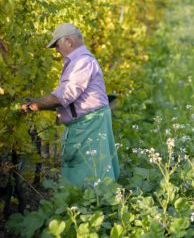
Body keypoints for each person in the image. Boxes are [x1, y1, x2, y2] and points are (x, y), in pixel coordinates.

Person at [21, 23, 120, 186]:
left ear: (68, 41)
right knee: (92, 171)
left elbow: (64, 96)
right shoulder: (79, 61)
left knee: (90, 174)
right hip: (88, 123)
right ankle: (90, 206)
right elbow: (68, 99)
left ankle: (91, 207)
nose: (57, 51)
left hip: (89, 124)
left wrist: (34, 106)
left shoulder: (81, 62)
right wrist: (36, 103)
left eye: (57, 46)